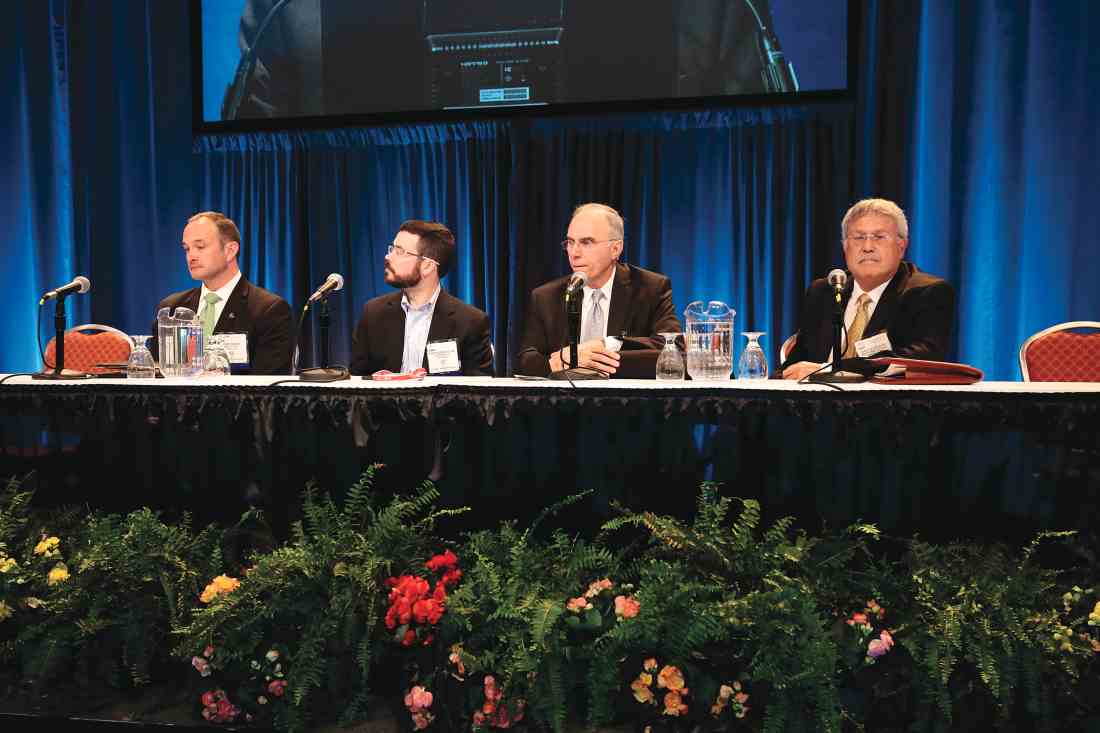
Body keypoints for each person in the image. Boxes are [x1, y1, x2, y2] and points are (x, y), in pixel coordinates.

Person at [780, 198, 956, 380]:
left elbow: (922, 357)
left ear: (901, 246)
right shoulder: (825, 291)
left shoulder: (927, 292)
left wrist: (828, 369)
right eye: (859, 237)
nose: (867, 247)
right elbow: (794, 364)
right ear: (845, 246)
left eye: (879, 237)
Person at [516, 203, 681, 378]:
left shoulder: (650, 288)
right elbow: (526, 360)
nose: (574, 253)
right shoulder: (546, 297)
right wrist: (563, 360)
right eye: (570, 242)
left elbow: (671, 346)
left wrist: (604, 347)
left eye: (586, 242)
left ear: (616, 248)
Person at [152, 211, 292, 375]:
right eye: (187, 248)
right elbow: (158, 374)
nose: (191, 256)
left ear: (230, 250)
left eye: (200, 246)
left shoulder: (269, 310)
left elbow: (268, 384)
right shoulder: (172, 308)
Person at [350, 220, 493, 376]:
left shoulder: (471, 322)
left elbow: (479, 393)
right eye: (391, 249)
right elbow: (356, 381)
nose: (388, 257)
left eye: (399, 251)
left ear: (428, 266)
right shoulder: (373, 313)